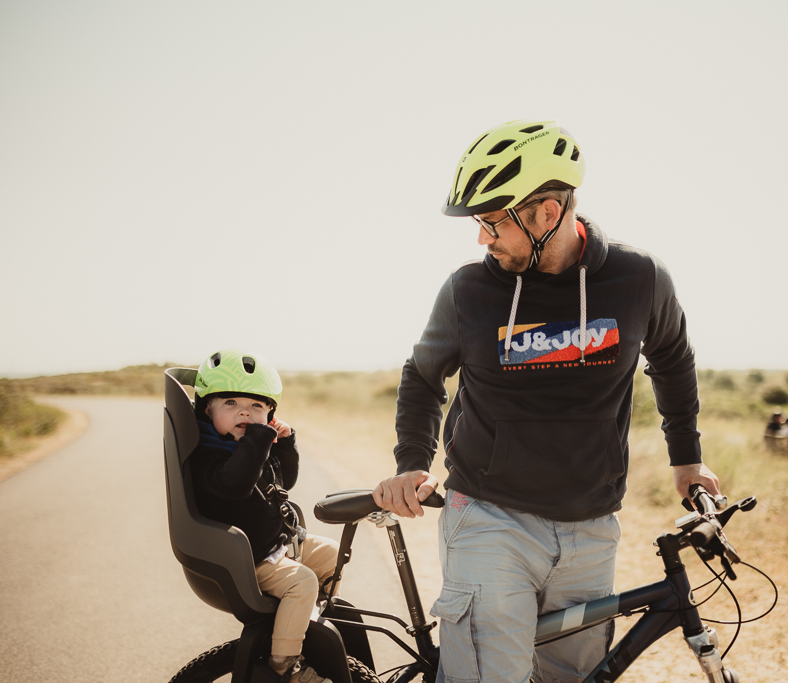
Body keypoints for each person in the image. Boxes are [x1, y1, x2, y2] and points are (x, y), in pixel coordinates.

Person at [373, 120, 720, 683]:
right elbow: (422, 375)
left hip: (591, 526)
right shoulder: (468, 291)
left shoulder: (639, 278)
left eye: (491, 222)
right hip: (488, 518)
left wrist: (687, 458)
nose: (482, 239)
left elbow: (673, 358)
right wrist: (412, 461)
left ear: (546, 213)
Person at [190, 349, 337, 683]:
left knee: (330, 552)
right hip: (247, 560)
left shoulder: (250, 446)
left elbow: (284, 481)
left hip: (275, 545)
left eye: (257, 406)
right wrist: (258, 438)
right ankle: (284, 664)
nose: (245, 411)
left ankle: (309, 623)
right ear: (207, 409)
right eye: (230, 403)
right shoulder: (209, 454)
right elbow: (235, 486)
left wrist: (283, 445)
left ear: (270, 412)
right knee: (303, 583)